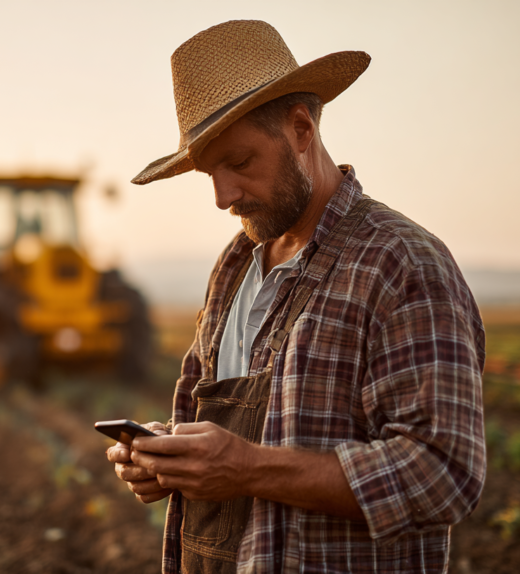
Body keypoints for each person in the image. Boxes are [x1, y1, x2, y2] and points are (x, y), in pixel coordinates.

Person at [106, 20, 486, 574]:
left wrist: (249, 469)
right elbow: (219, 437)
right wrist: (164, 459)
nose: (222, 196)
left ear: (302, 129)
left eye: (239, 163)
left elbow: (444, 472)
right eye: (210, 172)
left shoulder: (400, 264)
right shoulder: (233, 268)